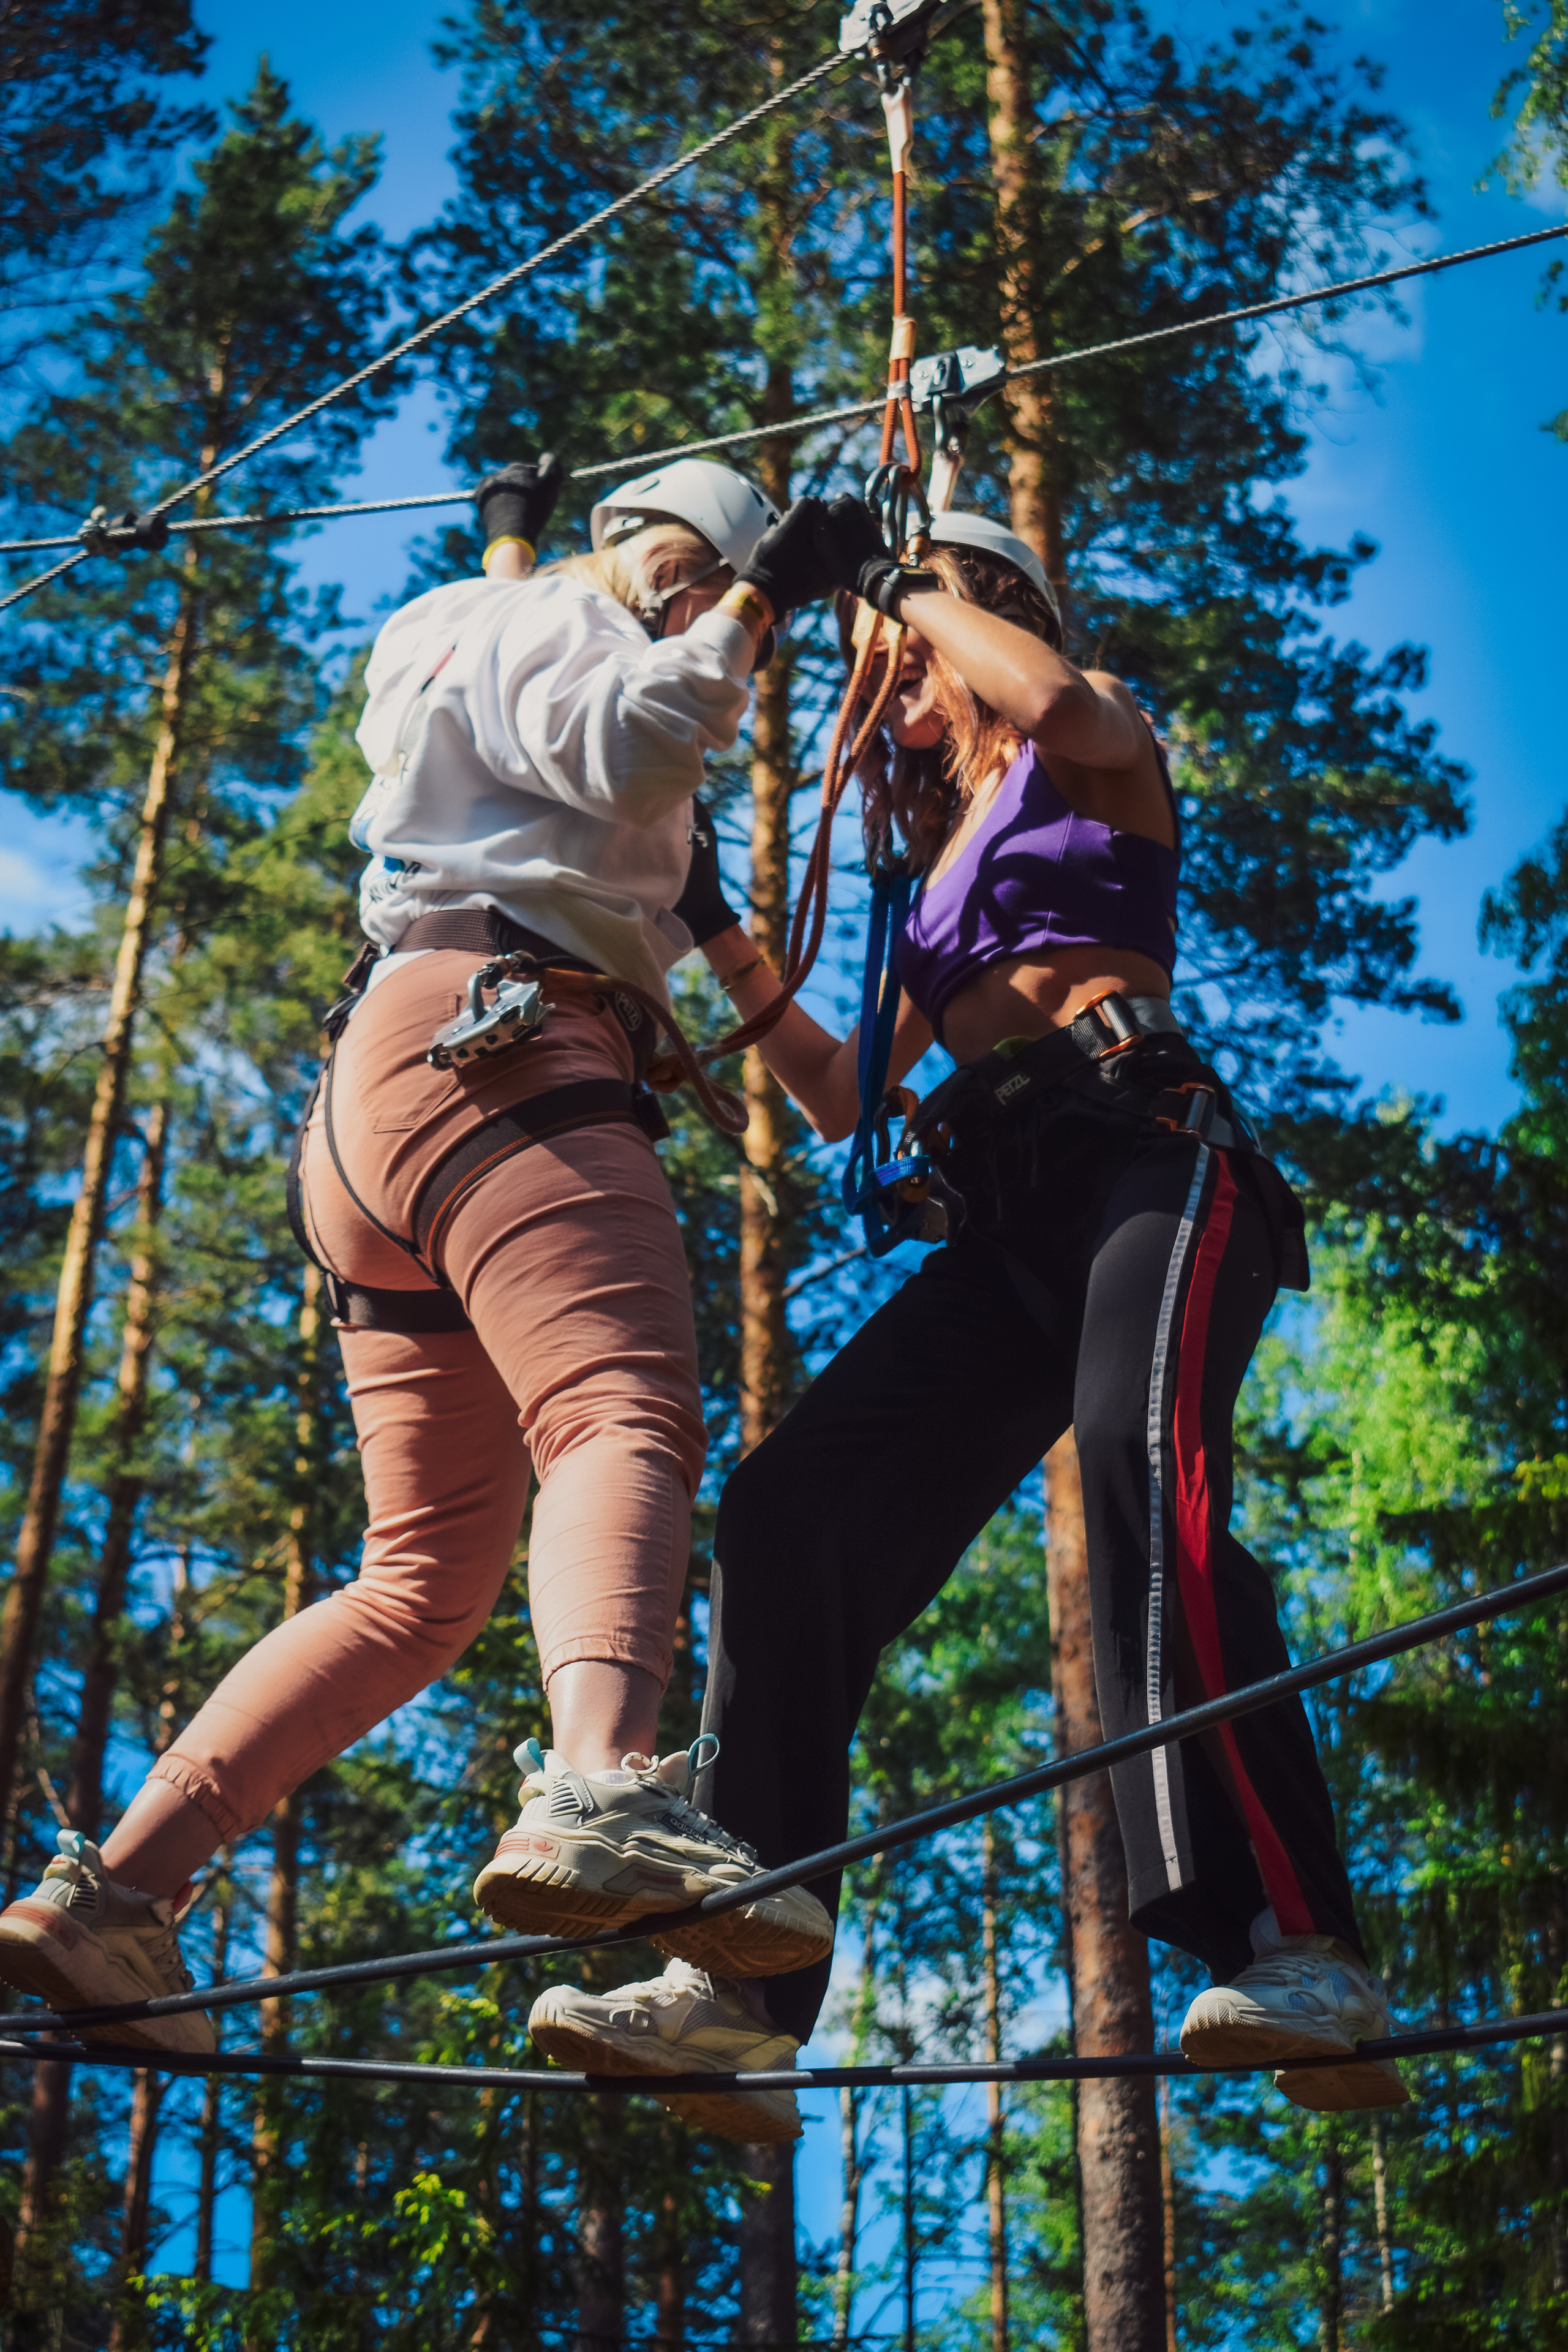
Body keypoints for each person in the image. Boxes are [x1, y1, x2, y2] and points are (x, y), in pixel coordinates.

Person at [529, 500, 1410, 2143]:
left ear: (962, 609)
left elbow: (1057, 697)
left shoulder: (1091, 747)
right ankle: (746, 1991)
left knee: (1143, 1473)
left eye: (897, 653)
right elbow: (842, 1090)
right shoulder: (927, 879)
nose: (882, 686)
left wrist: (897, 577)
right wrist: (714, 924)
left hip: (1148, 1152)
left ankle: (1300, 1949)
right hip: (1011, 1215)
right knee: (789, 1511)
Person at [0, 457, 850, 2052]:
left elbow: (813, 1066)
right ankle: (599, 1786)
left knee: (420, 1583)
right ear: (640, 557)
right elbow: (640, 732)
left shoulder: (461, 625)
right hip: (507, 1051)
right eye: (685, 573)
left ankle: (118, 1897)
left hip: (381, 1100)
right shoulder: (594, 636)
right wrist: (759, 596)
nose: (702, 606)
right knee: (615, 1413)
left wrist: (517, 539)